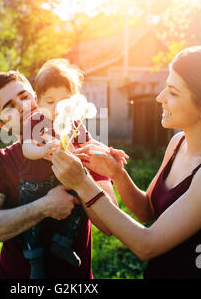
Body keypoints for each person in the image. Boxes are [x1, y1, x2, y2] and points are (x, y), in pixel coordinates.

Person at [51, 46, 201, 279]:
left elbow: (145, 245)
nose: (160, 97)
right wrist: (117, 174)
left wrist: (82, 183)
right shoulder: (179, 143)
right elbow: (147, 210)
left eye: (173, 92)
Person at [0, 70, 118, 279]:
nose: (22, 107)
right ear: (1, 125)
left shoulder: (82, 146)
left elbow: (110, 224)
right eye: (9, 107)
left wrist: (80, 178)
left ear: (36, 95)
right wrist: (44, 207)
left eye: (24, 97)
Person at [18, 59, 126, 278]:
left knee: (78, 207)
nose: (58, 108)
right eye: (50, 101)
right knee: (33, 228)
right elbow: (26, 148)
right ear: (38, 101)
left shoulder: (75, 123)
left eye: (64, 101)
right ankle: (36, 262)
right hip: (35, 186)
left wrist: (110, 152)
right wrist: (41, 150)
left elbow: (91, 143)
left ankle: (63, 243)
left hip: (68, 183)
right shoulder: (35, 120)